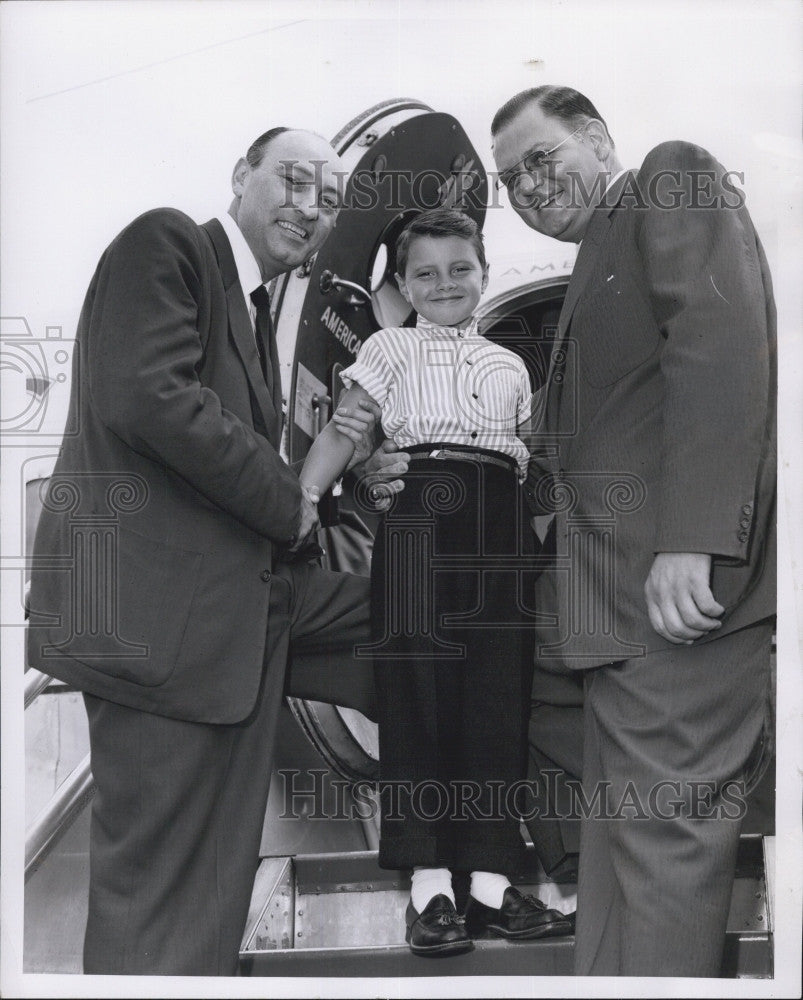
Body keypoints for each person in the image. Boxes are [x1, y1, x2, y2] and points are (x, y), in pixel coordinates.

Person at [25, 126, 399, 976]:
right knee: (162, 901)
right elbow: (151, 398)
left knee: (438, 619)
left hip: (238, 616)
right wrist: (292, 504)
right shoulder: (169, 244)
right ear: (241, 176)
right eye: (292, 180)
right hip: (162, 635)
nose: (309, 207)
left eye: (329, 198)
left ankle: (476, 860)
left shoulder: (256, 310)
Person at [489, 86, 777, 977]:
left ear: (599, 139)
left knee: (659, 865)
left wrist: (690, 540)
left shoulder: (669, 180)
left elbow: (719, 345)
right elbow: (599, 431)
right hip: (610, 622)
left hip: (675, 607)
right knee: (616, 870)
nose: (530, 187)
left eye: (542, 159)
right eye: (511, 179)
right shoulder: (594, 266)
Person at [300, 207, 573, 956]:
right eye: (425, 272)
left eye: (460, 268)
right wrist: (302, 496)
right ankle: (428, 887)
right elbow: (348, 429)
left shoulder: (512, 366)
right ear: (402, 285)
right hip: (420, 515)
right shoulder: (388, 349)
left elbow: (526, 461)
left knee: (495, 700)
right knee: (417, 698)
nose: (445, 283)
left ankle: (486, 886)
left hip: (500, 527)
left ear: (483, 273)